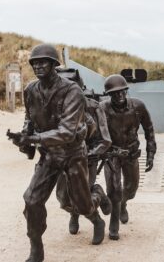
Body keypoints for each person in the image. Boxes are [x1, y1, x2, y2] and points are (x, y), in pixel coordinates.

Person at [11, 44, 106, 262]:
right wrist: (24, 136)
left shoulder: (72, 91)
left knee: (80, 204)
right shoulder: (30, 90)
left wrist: (34, 139)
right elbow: (30, 118)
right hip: (49, 155)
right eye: (34, 62)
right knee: (32, 199)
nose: (38, 66)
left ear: (55, 64)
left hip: (73, 154)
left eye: (43, 61)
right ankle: (36, 247)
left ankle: (96, 210)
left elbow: (67, 131)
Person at [54, 67, 112, 235]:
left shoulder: (93, 107)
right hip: (61, 160)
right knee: (64, 200)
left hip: (86, 159)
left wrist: (90, 153)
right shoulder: (54, 109)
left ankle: (96, 215)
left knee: (81, 197)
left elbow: (105, 140)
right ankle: (75, 212)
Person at [99, 74, 156, 240]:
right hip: (112, 155)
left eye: (122, 92)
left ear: (126, 91)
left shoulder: (138, 107)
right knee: (113, 189)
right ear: (109, 95)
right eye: (114, 93)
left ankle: (123, 204)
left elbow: (149, 129)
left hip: (131, 154)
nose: (119, 96)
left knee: (131, 189)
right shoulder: (102, 109)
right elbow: (95, 132)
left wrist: (151, 153)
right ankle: (114, 221)